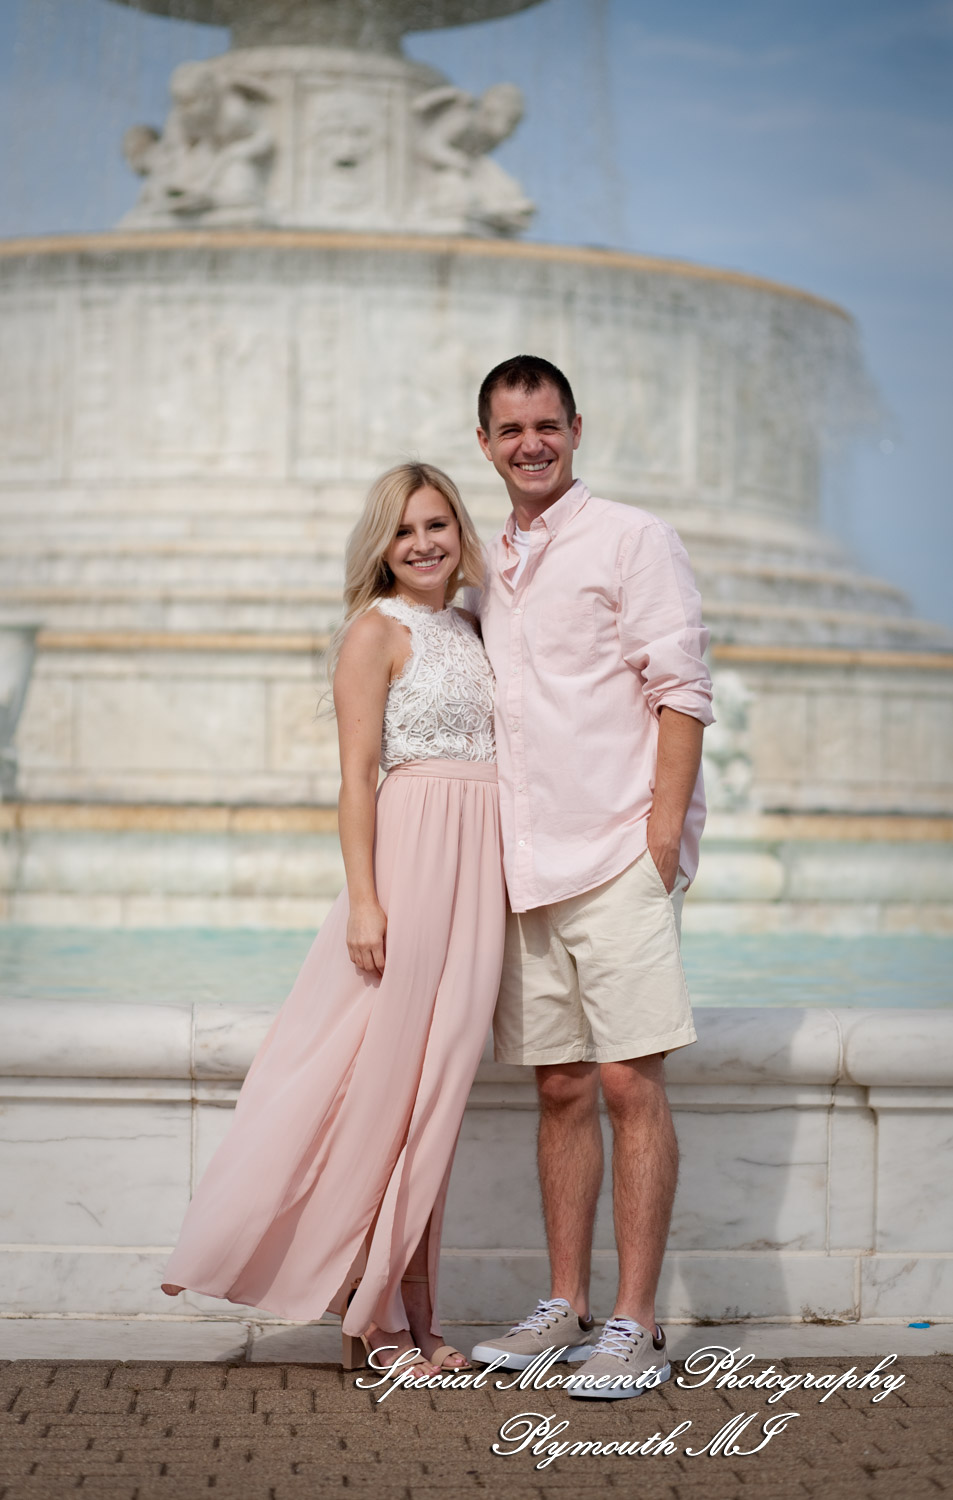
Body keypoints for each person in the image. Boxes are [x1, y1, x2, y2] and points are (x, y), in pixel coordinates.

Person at [161, 462, 505, 1379]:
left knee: (437, 1098)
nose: (423, 544)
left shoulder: (475, 625)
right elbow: (355, 778)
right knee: (383, 1093)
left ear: (459, 530)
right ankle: (377, 1318)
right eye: (404, 531)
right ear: (381, 547)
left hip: (483, 869)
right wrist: (365, 899)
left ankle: (413, 1313)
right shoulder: (373, 632)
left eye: (436, 524)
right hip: (412, 859)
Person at [467, 355, 714, 1397]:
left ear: (575, 428)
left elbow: (681, 689)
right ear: (485, 443)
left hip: (615, 852)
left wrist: (659, 839)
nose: (530, 444)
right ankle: (564, 1306)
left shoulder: (631, 537)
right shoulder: (481, 560)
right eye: (510, 430)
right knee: (560, 1085)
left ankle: (636, 1323)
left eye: (546, 425)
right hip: (524, 864)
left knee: (625, 1082)